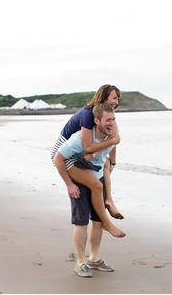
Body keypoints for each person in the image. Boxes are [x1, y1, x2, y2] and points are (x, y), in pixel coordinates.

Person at [53, 103, 121, 277]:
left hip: (96, 177)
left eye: (113, 119)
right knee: (81, 220)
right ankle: (80, 262)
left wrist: (109, 195)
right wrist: (69, 184)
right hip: (78, 177)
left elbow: (105, 165)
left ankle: (94, 258)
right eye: (108, 120)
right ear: (97, 120)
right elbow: (58, 159)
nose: (111, 123)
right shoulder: (79, 140)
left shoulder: (110, 137)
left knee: (97, 220)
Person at [51, 85, 125, 237]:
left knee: (105, 164)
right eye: (114, 98)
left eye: (118, 98)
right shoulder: (88, 114)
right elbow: (88, 146)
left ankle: (110, 201)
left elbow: (113, 138)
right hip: (64, 153)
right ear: (104, 97)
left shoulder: (106, 114)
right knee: (96, 185)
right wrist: (69, 184)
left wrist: (113, 161)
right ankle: (107, 223)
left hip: (79, 151)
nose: (117, 101)